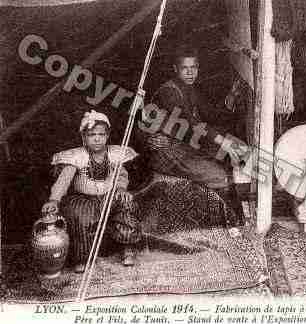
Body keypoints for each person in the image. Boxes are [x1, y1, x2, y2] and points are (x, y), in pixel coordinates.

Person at [41, 110, 140, 273]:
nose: (97, 138)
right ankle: (83, 258)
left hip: (109, 196)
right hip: (84, 198)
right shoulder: (77, 157)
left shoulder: (114, 154)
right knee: (80, 215)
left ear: (107, 136)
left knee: (127, 203)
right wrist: (54, 199)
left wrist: (121, 188)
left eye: (101, 134)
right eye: (92, 134)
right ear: (84, 137)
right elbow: (64, 180)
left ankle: (127, 247)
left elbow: (122, 174)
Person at [143, 46, 242, 189]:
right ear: (176, 69)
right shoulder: (168, 92)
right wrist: (222, 141)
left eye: (194, 67)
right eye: (185, 68)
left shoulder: (190, 89)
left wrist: (231, 96)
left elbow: (212, 115)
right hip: (166, 153)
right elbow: (190, 122)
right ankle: (168, 180)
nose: (190, 73)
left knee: (233, 151)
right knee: (221, 177)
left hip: (185, 145)